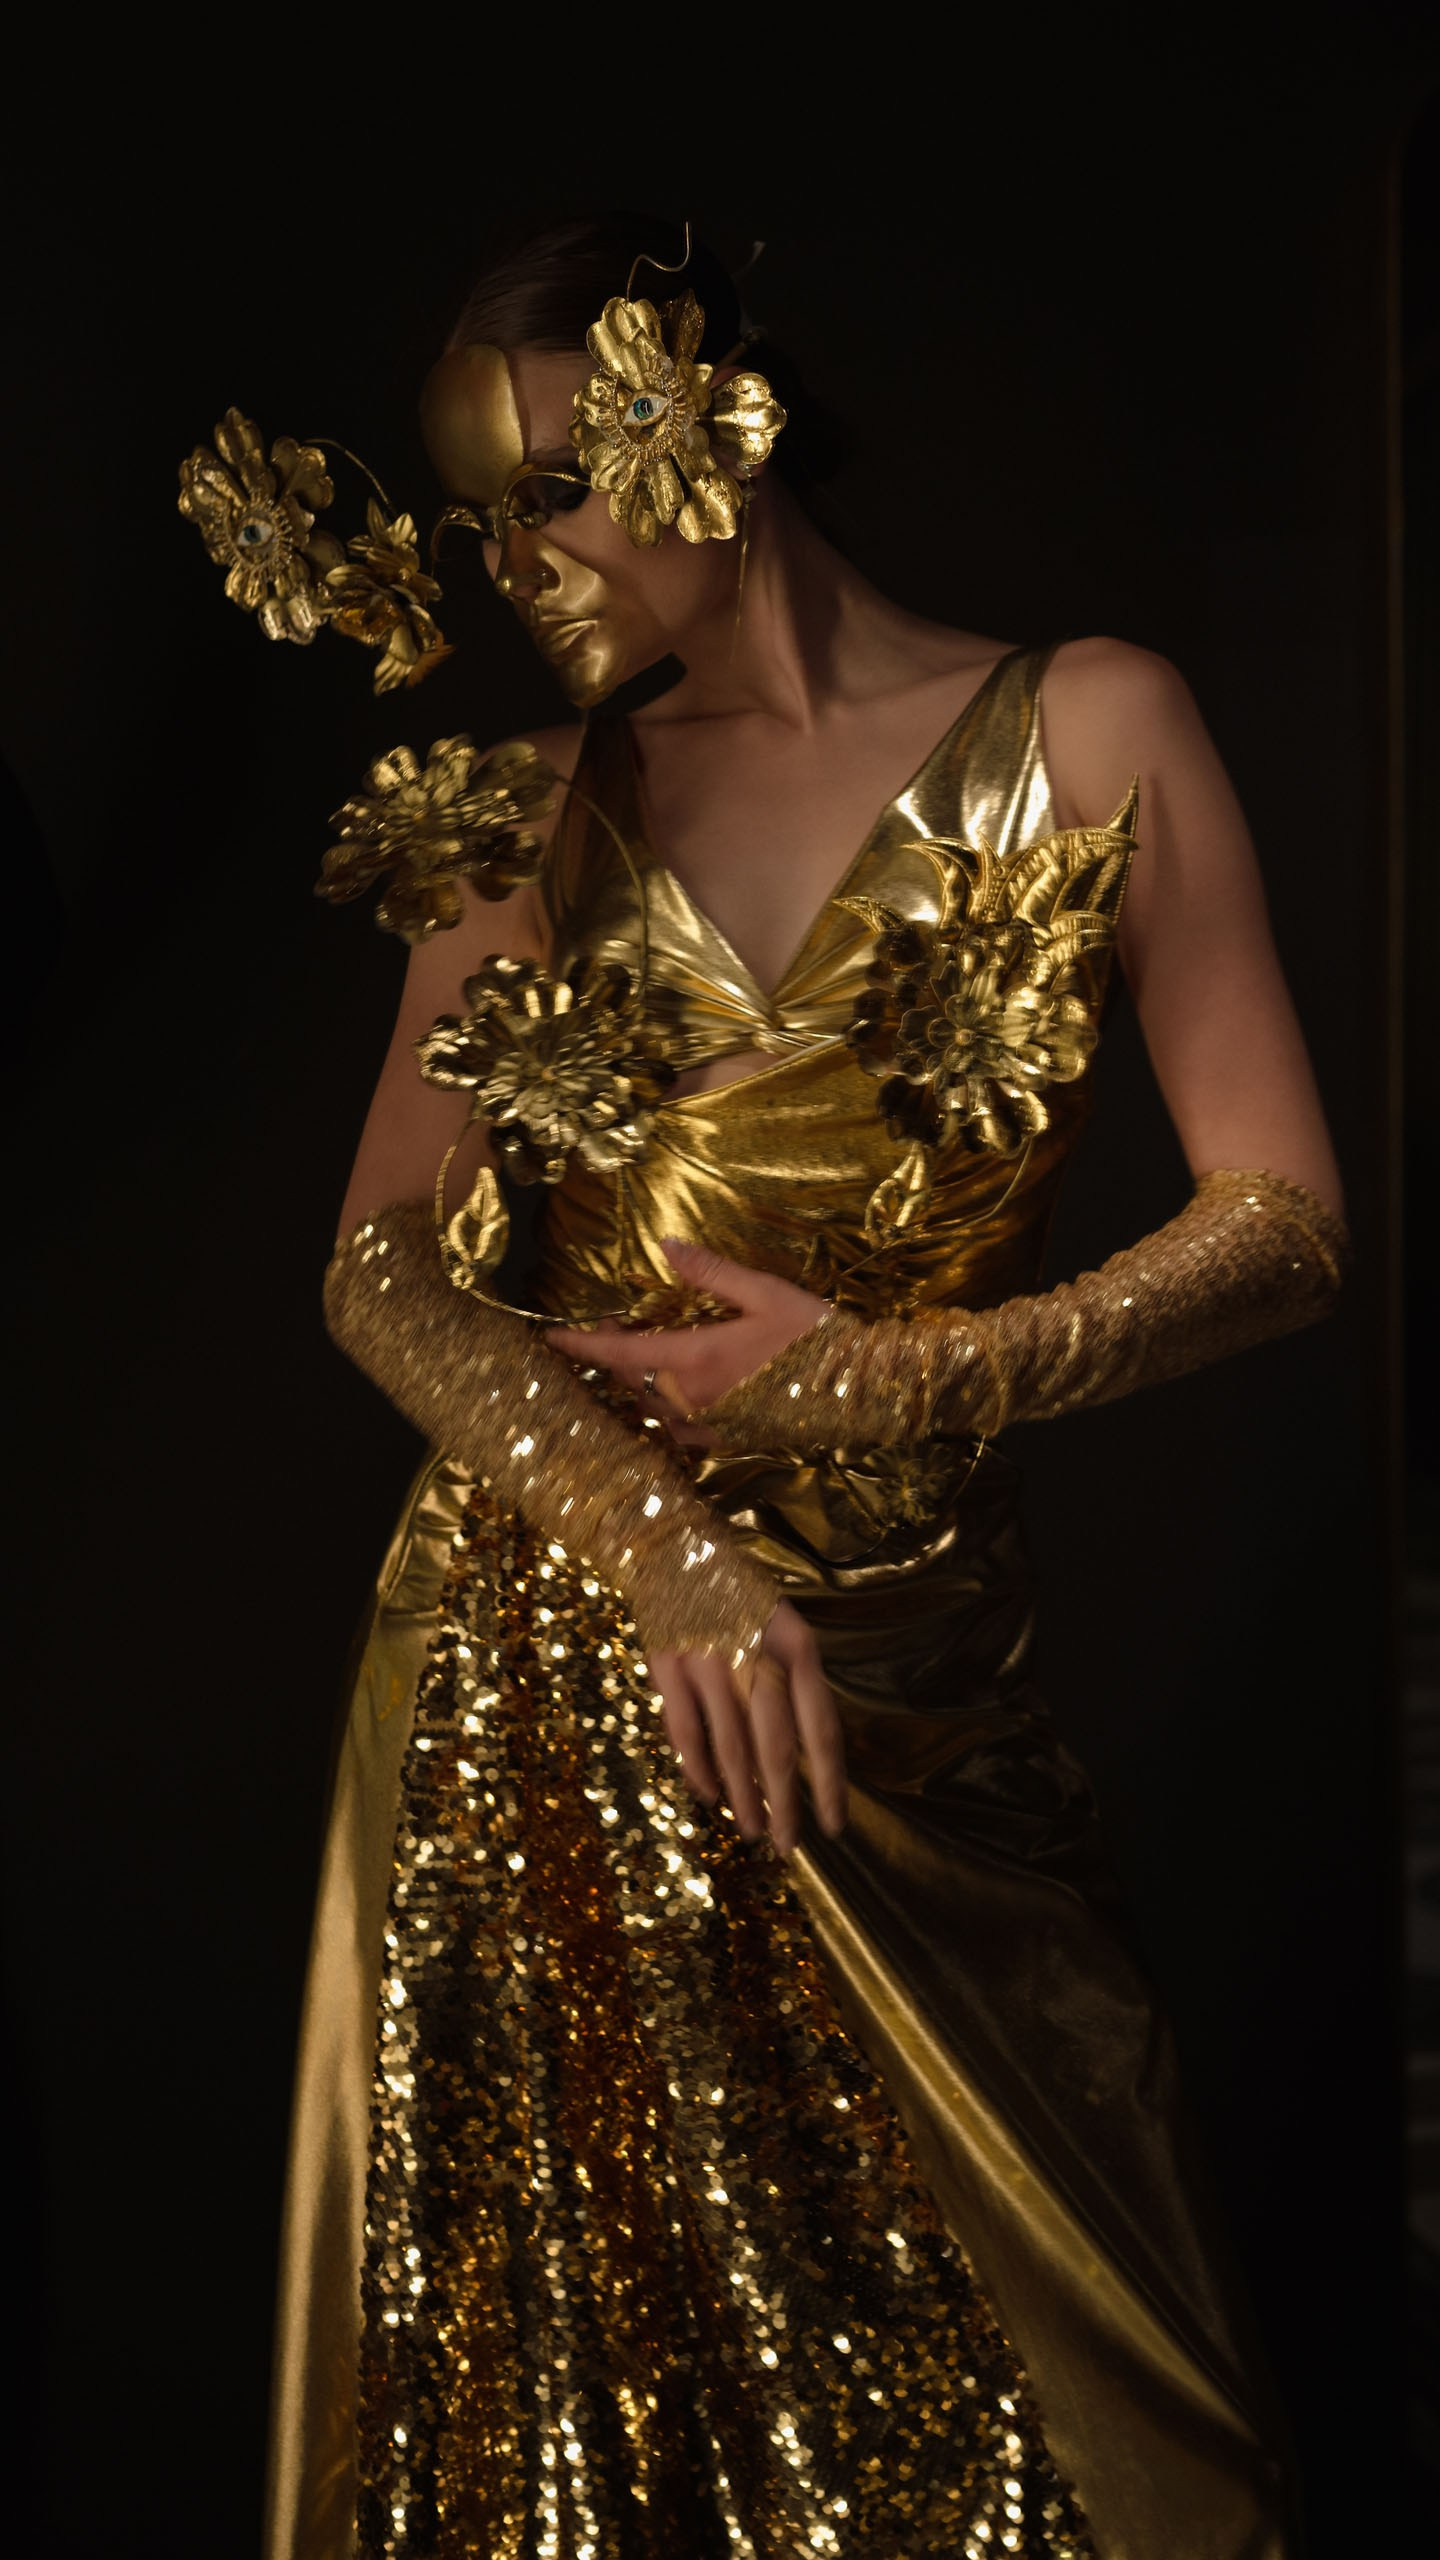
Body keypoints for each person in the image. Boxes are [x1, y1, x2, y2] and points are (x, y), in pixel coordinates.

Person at [236, 216, 1348, 2559]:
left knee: (1135, 2444)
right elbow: (378, 1266)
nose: (515, 560)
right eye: (481, 519)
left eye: (555, 486)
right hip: (553, 1679)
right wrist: (659, 1540)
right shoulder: (520, 807)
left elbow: (1284, 1223)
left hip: (913, 1669)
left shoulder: (1093, 728)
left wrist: (886, 1380)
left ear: (711, 420)